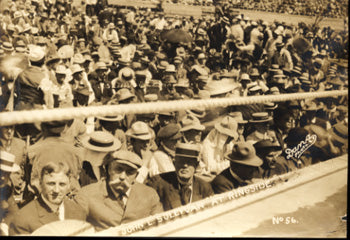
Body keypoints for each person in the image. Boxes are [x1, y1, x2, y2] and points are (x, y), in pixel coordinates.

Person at [74, 150, 163, 232]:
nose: (122, 177)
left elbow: (161, 228)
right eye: (118, 169)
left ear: (136, 175)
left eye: (130, 172)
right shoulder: (86, 195)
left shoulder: (149, 195)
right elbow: (74, 229)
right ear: (109, 169)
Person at [9, 161, 87, 235]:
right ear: (40, 183)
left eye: (62, 184)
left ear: (69, 185)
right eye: (51, 184)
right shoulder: (23, 219)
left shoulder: (79, 212)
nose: (56, 190)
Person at [147, 142, 214, 211]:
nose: (185, 165)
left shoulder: (204, 188)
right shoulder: (158, 184)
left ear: (196, 165)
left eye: (189, 162)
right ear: (174, 163)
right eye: (181, 161)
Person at [0, 151, 19, 236]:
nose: (3, 177)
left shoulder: (6, 190)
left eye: (6, 173)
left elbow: (14, 213)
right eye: (1, 172)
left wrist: (4, 226)